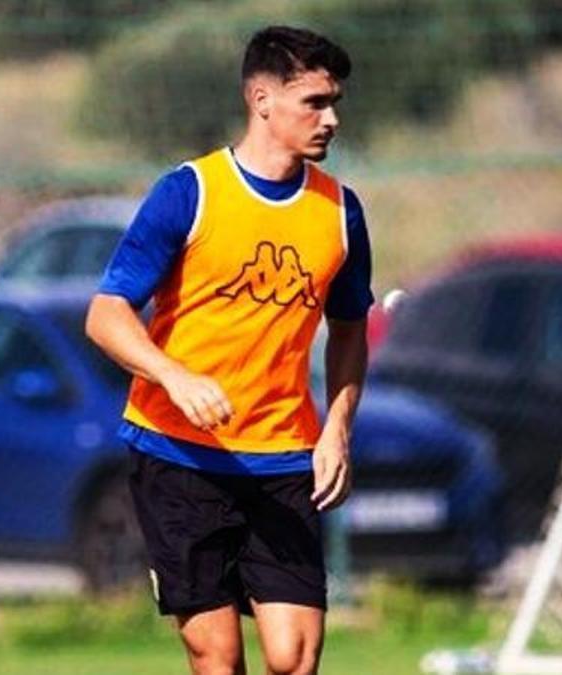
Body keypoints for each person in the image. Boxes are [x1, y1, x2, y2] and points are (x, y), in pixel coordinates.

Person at [85, 25, 372, 675]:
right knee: (218, 657)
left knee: (293, 655)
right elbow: (105, 314)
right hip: (177, 453)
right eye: (314, 102)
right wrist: (173, 375)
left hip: (283, 455)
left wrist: (338, 429)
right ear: (261, 99)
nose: (330, 119)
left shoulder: (340, 214)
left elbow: (350, 328)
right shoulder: (190, 193)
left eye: (335, 104)